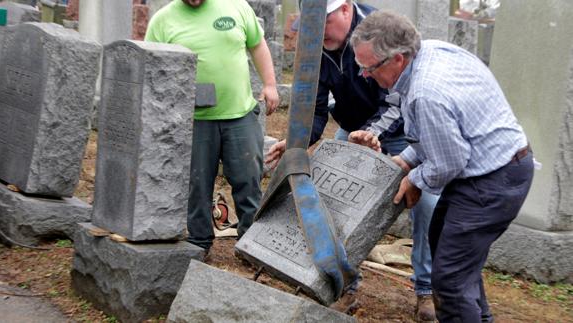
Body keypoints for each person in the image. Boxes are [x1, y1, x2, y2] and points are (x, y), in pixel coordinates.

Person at [349, 11, 534, 322]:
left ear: (398, 58)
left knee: (449, 280)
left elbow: (449, 161)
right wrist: (405, 160)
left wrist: (414, 178)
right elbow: (441, 134)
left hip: (492, 180)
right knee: (450, 255)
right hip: (494, 166)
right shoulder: (431, 51)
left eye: (369, 68)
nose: (365, 75)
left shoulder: (425, 92)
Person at [266, 0, 438, 319]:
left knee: (426, 205)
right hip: (352, 128)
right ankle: (343, 280)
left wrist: (372, 133)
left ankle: (426, 289)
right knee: (334, 195)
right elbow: (316, 108)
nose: (318, 31)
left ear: (345, 9)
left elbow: (398, 101)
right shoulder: (317, 44)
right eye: (312, 22)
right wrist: (298, 140)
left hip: (402, 131)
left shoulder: (380, 31)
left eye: (325, 21)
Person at [145, 0, 279, 254]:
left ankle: (251, 243)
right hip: (194, 120)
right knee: (197, 183)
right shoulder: (163, 21)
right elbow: (154, 67)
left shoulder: (236, 6)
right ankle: (199, 241)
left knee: (248, 179)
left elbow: (257, 45)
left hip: (240, 114)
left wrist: (270, 84)